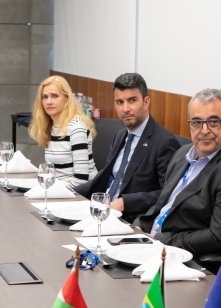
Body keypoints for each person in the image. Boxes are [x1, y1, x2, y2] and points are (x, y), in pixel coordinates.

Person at [137, 88, 221, 256]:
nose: (204, 130)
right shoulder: (183, 154)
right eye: (196, 122)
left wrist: (160, 240)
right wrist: (139, 228)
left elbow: (218, 237)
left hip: (191, 261)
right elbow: (163, 205)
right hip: (152, 245)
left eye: (213, 122)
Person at [73, 73, 180, 223]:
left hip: (128, 219)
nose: (125, 109)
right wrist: (69, 194)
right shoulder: (120, 135)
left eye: (132, 100)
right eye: (119, 102)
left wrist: (125, 202)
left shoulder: (164, 141)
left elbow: (167, 194)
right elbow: (107, 176)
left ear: (146, 102)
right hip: (100, 211)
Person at [29, 75, 97, 187]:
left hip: (81, 194)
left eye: (54, 96)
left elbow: (81, 180)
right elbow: (57, 171)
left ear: (67, 99)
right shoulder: (51, 126)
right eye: (45, 97)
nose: (48, 102)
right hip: (60, 189)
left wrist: (53, 191)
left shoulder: (76, 128)